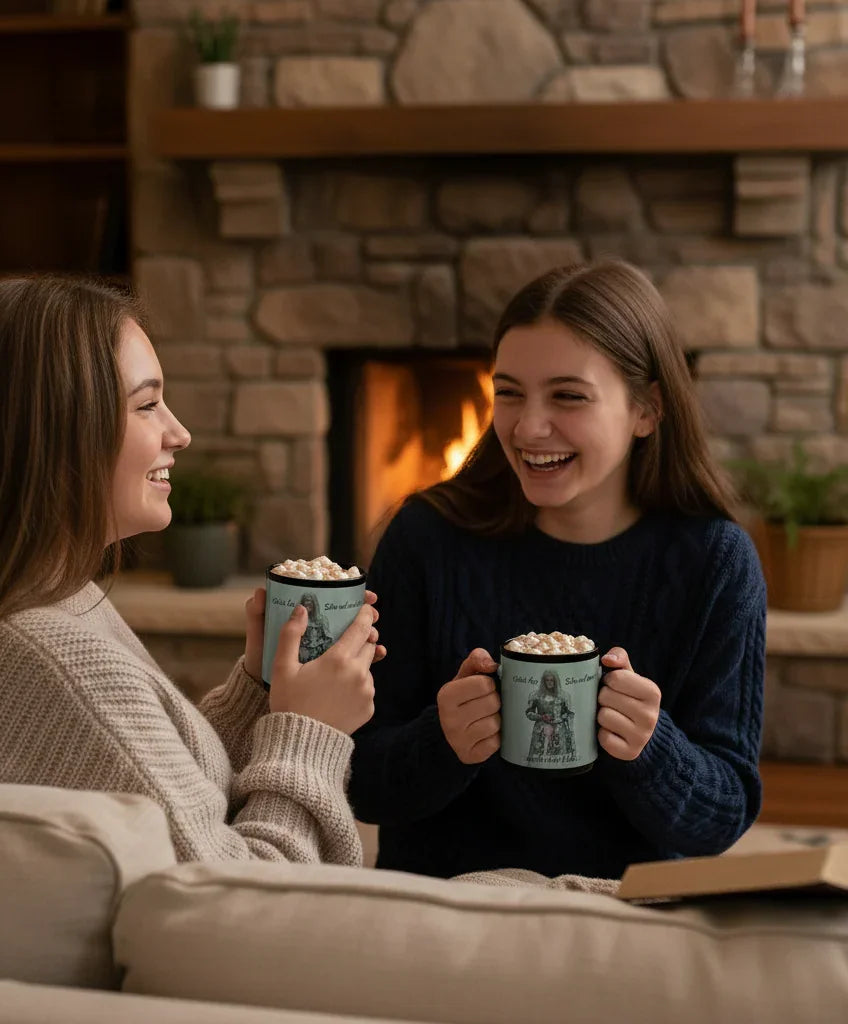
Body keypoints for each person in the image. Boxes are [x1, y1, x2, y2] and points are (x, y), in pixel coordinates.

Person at [0, 276, 383, 866]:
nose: (179, 433)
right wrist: (310, 731)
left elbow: (143, 785)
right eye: (147, 405)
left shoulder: (13, 599)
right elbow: (245, 904)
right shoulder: (53, 657)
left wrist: (256, 692)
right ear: (50, 435)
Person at [348, 260, 766, 880]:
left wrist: (654, 751)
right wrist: (442, 744)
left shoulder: (714, 563)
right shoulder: (426, 540)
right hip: (449, 909)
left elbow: (721, 817)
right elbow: (360, 780)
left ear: (647, 410)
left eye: (568, 396)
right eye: (509, 392)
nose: (527, 427)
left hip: (624, 913)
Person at [525, 670, 576, 762]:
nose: (549, 682)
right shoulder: (536, 695)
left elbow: (567, 712)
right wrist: (541, 717)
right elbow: (529, 713)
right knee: (539, 758)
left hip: (559, 731)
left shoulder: (564, 696)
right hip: (541, 730)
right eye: (547, 680)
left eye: (552, 680)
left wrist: (564, 717)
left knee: (560, 759)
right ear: (543, 681)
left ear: (556, 681)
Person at [297, 592, 335, 663]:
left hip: (318, 654)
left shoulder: (322, 619)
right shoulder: (298, 619)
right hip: (303, 654)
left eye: (310, 601)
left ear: (314, 603)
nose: (307, 603)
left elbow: (328, 638)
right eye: (306, 600)